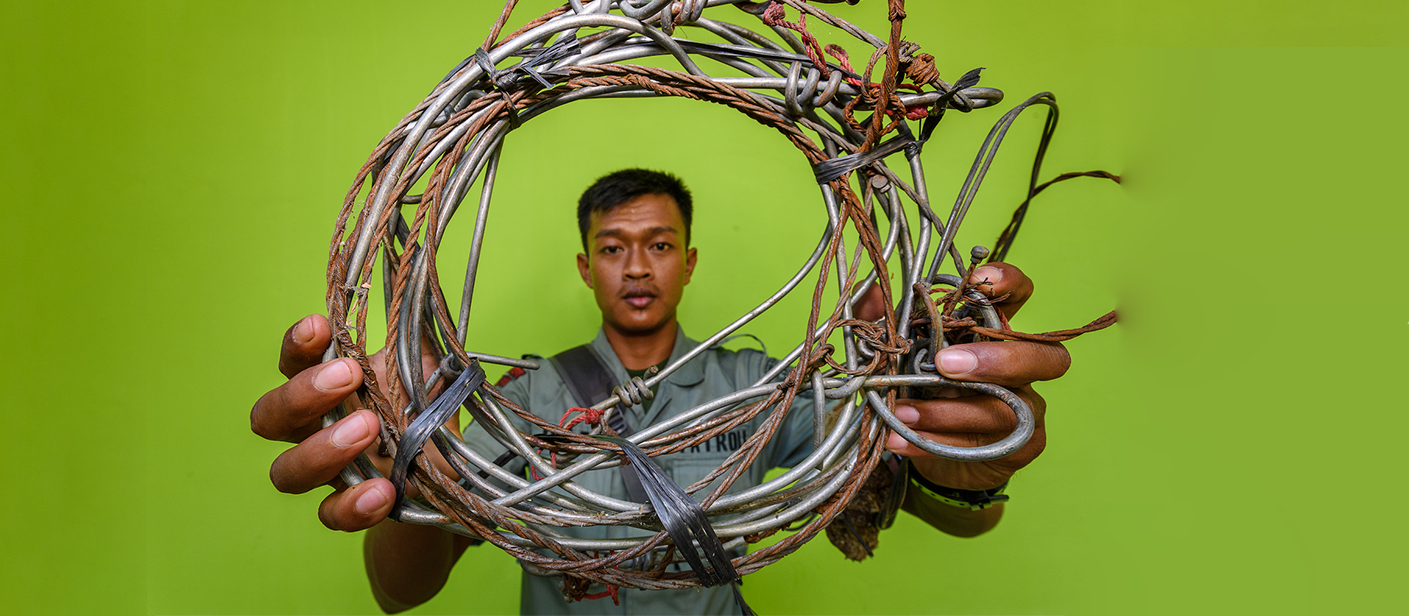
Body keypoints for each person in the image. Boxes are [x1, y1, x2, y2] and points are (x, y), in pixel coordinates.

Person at [250, 169, 1069, 614]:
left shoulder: (759, 388)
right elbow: (400, 592)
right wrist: (405, 472)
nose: (637, 268)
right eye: (613, 248)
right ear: (585, 266)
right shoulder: (520, 400)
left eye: (658, 244)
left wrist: (966, 463)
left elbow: (906, 475)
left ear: (690, 259)